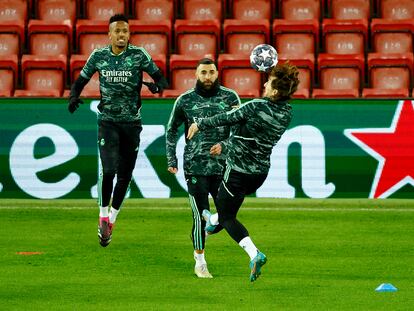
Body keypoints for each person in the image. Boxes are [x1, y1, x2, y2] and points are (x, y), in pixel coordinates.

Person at [187, 62, 299, 282]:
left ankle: (254, 254)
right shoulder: (287, 112)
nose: (265, 84)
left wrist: (200, 123)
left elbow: (226, 119)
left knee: (228, 217)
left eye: (269, 82)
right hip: (259, 174)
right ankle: (211, 220)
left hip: (238, 171)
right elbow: (247, 133)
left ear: (275, 91)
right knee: (223, 210)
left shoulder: (256, 106)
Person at [67, 13, 168, 247]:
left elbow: (162, 79)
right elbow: (81, 79)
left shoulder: (139, 55)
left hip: (132, 123)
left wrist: (156, 86)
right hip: (108, 122)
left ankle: (112, 220)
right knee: (109, 170)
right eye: (117, 31)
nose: (122, 35)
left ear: (129, 34)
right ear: (109, 34)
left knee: (125, 175)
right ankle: (102, 215)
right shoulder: (99, 56)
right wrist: (73, 96)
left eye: (125, 31)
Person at [166, 58, 241, 278]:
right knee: (198, 215)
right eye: (203, 73)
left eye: (211, 72)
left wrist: (225, 145)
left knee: (225, 217)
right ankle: (200, 261)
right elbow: (171, 130)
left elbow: (240, 130)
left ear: (217, 73)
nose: (207, 77)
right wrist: (172, 160)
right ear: (196, 74)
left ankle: (206, 229)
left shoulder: (230, 98)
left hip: (222, 168)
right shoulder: (185, 100)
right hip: (195, 167)